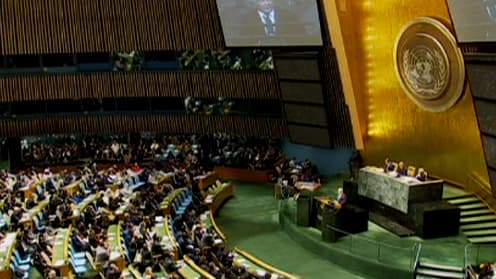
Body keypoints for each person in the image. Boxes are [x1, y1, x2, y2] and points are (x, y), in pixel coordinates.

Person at [238, 0, 304, 44]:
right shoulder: (247, 20)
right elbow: (243, 42)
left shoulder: (289, 16)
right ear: (256, 2)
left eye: (269, 0)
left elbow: (300, 39)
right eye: (262, 1)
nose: (267, 3)